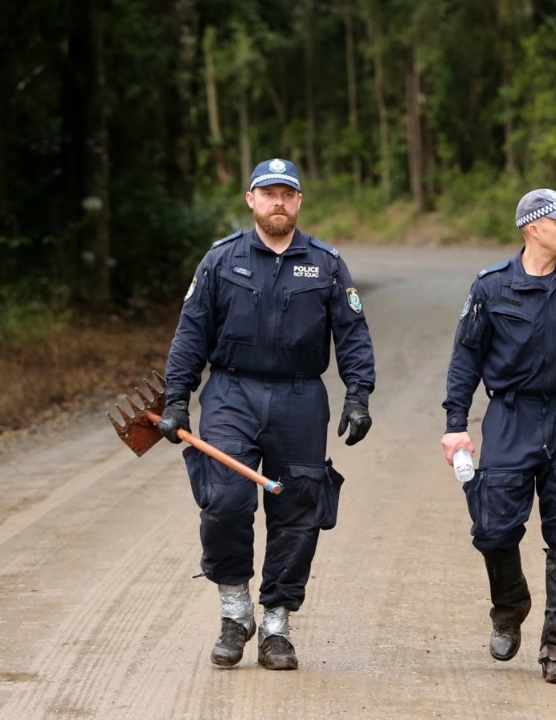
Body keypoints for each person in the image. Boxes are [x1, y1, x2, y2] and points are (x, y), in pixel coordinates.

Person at [157, 157, 376, 671]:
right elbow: (191, 332)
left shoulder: (325, 264)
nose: (278, 202)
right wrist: (175, 398)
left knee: (298, 512)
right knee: (225, 502)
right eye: (268, 193)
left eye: (288, 193)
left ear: (299, 202)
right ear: (251, 200)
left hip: (301, 398)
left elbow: (352, 334)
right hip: (232, 392)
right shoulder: (220, 260)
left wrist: (358, 395)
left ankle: (276, 622)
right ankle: (235, 613)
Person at [440, 188, 556, 684]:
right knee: (493, 527)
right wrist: (455, 425)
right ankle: (509, 605)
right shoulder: (491, 288)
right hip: (510, 415)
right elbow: (466, 358)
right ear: (532, 228)